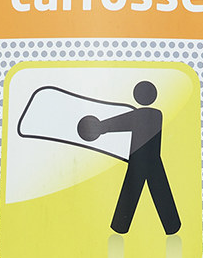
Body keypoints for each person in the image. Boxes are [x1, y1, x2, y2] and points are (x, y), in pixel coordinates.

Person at [77, 81, 181, 235]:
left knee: (133, 190)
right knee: (157, 190)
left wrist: (100, 127)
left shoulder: (140, 115)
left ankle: (121, 226)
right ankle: (171, 226)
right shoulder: (156, 114)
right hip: (152, 160)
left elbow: (120, 122)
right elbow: (122, 121)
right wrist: (100, 127)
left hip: (139, 159)